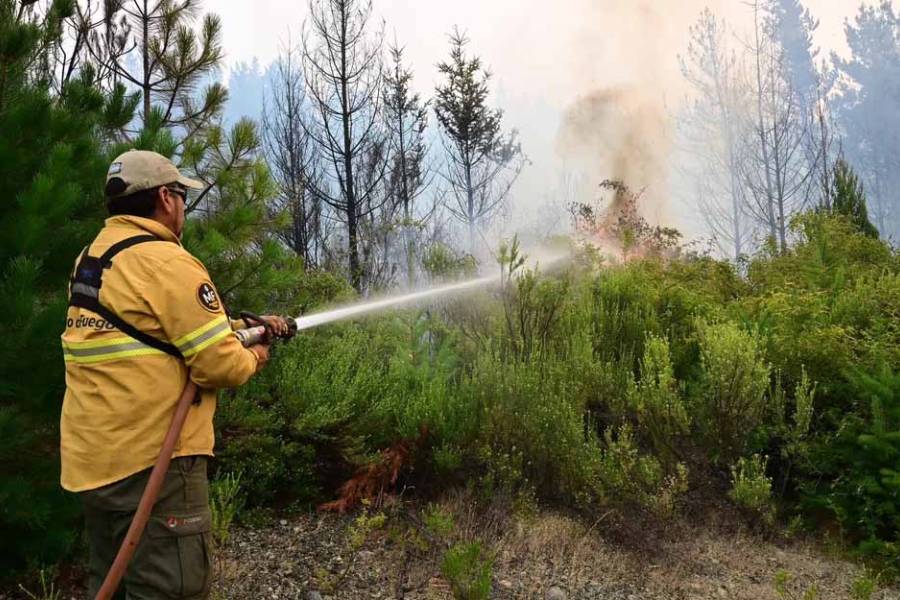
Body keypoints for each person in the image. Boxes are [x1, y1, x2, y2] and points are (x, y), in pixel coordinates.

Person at [60, 150, 288, 599]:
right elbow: (218, 363)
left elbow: (157, 334)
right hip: (154, 465)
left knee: (116, 584)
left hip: (96, 462)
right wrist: (257, 353)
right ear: (166, 197)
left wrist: (243, 328)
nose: (183, 206)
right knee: (172, 587)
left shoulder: (94, 258)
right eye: (182, 195)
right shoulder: (167, 262)